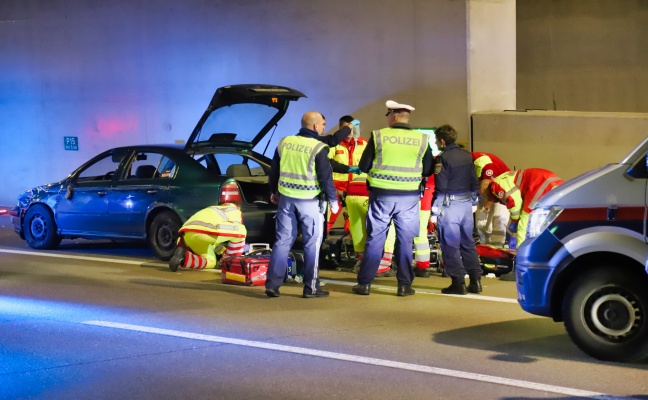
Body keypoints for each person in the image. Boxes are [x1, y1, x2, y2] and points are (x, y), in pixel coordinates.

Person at [352, 100, 434, 296]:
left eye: (388, 115)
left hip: (382, 196)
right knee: (405, 241)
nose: (387, 119)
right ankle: (404, 286)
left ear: (394, 116)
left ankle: (364, 284)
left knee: (375, 239)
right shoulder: (422, 139)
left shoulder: (378, 135)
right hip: (409, 199)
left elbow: (363, 166)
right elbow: (429, 169)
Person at [265, 111, 339, 298]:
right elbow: (325, 178)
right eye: (323, 124)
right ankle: (311, 288)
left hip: (286, 200)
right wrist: (333, 200)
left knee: (282, 241)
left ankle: (272, 285)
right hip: (309, 202)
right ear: (315, 126)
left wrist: (273, 191)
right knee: (312, 244)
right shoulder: (318, 147)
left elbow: (274, 170)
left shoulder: (284, 142)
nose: (323, 127)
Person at [432, 125, 482, 295]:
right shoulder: (467, 155)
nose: (436, 142)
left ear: (443, 141)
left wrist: (435, 209)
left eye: (437, 140)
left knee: (450, 245)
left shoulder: (442, 158)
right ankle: (476, 281)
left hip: (450, 206)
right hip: (466, 205)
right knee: (468, 243)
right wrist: (474, 200)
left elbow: (441, 186)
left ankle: (458, 282)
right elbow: (474, 180)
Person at [478, 167, 563, 249]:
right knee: (542, 220)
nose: (485, 198)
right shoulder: (501, 180)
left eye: (484, 195)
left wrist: (515, 221)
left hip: (540, 183)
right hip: (550, 181)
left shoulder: (496, 186)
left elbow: (515, 202)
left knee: (525, 219)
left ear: (485, 189)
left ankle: (520, 251)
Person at [168, 203, 246, 271]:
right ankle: (230, 264)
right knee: (242, 232)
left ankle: (184, 257)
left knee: (211, 262)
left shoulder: (216, 209)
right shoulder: (236, 212)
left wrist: (223, 252)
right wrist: (230, 255)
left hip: (188, 234)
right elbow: (235, 233)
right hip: (206, 231)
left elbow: (215, 242)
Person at [326, 115, 367, 232]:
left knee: (354, 223)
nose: (350, 131)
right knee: (327, 220)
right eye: (346, 128)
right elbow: (327, 165)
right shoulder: (334, 144)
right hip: (336, 189)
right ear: (340, 129)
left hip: (356, 189)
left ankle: (353, 247)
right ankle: (319, 245)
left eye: (352, 128)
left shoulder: (364, 144)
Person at [471, 151, 511, 247]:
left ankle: (497, 248)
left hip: (503, 190)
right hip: (487, 189)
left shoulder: (486, 164)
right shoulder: (467, 163)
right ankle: (485, 247)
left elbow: (491, 190)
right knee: (481, 222)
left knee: (499, 218)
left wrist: (485, 208)